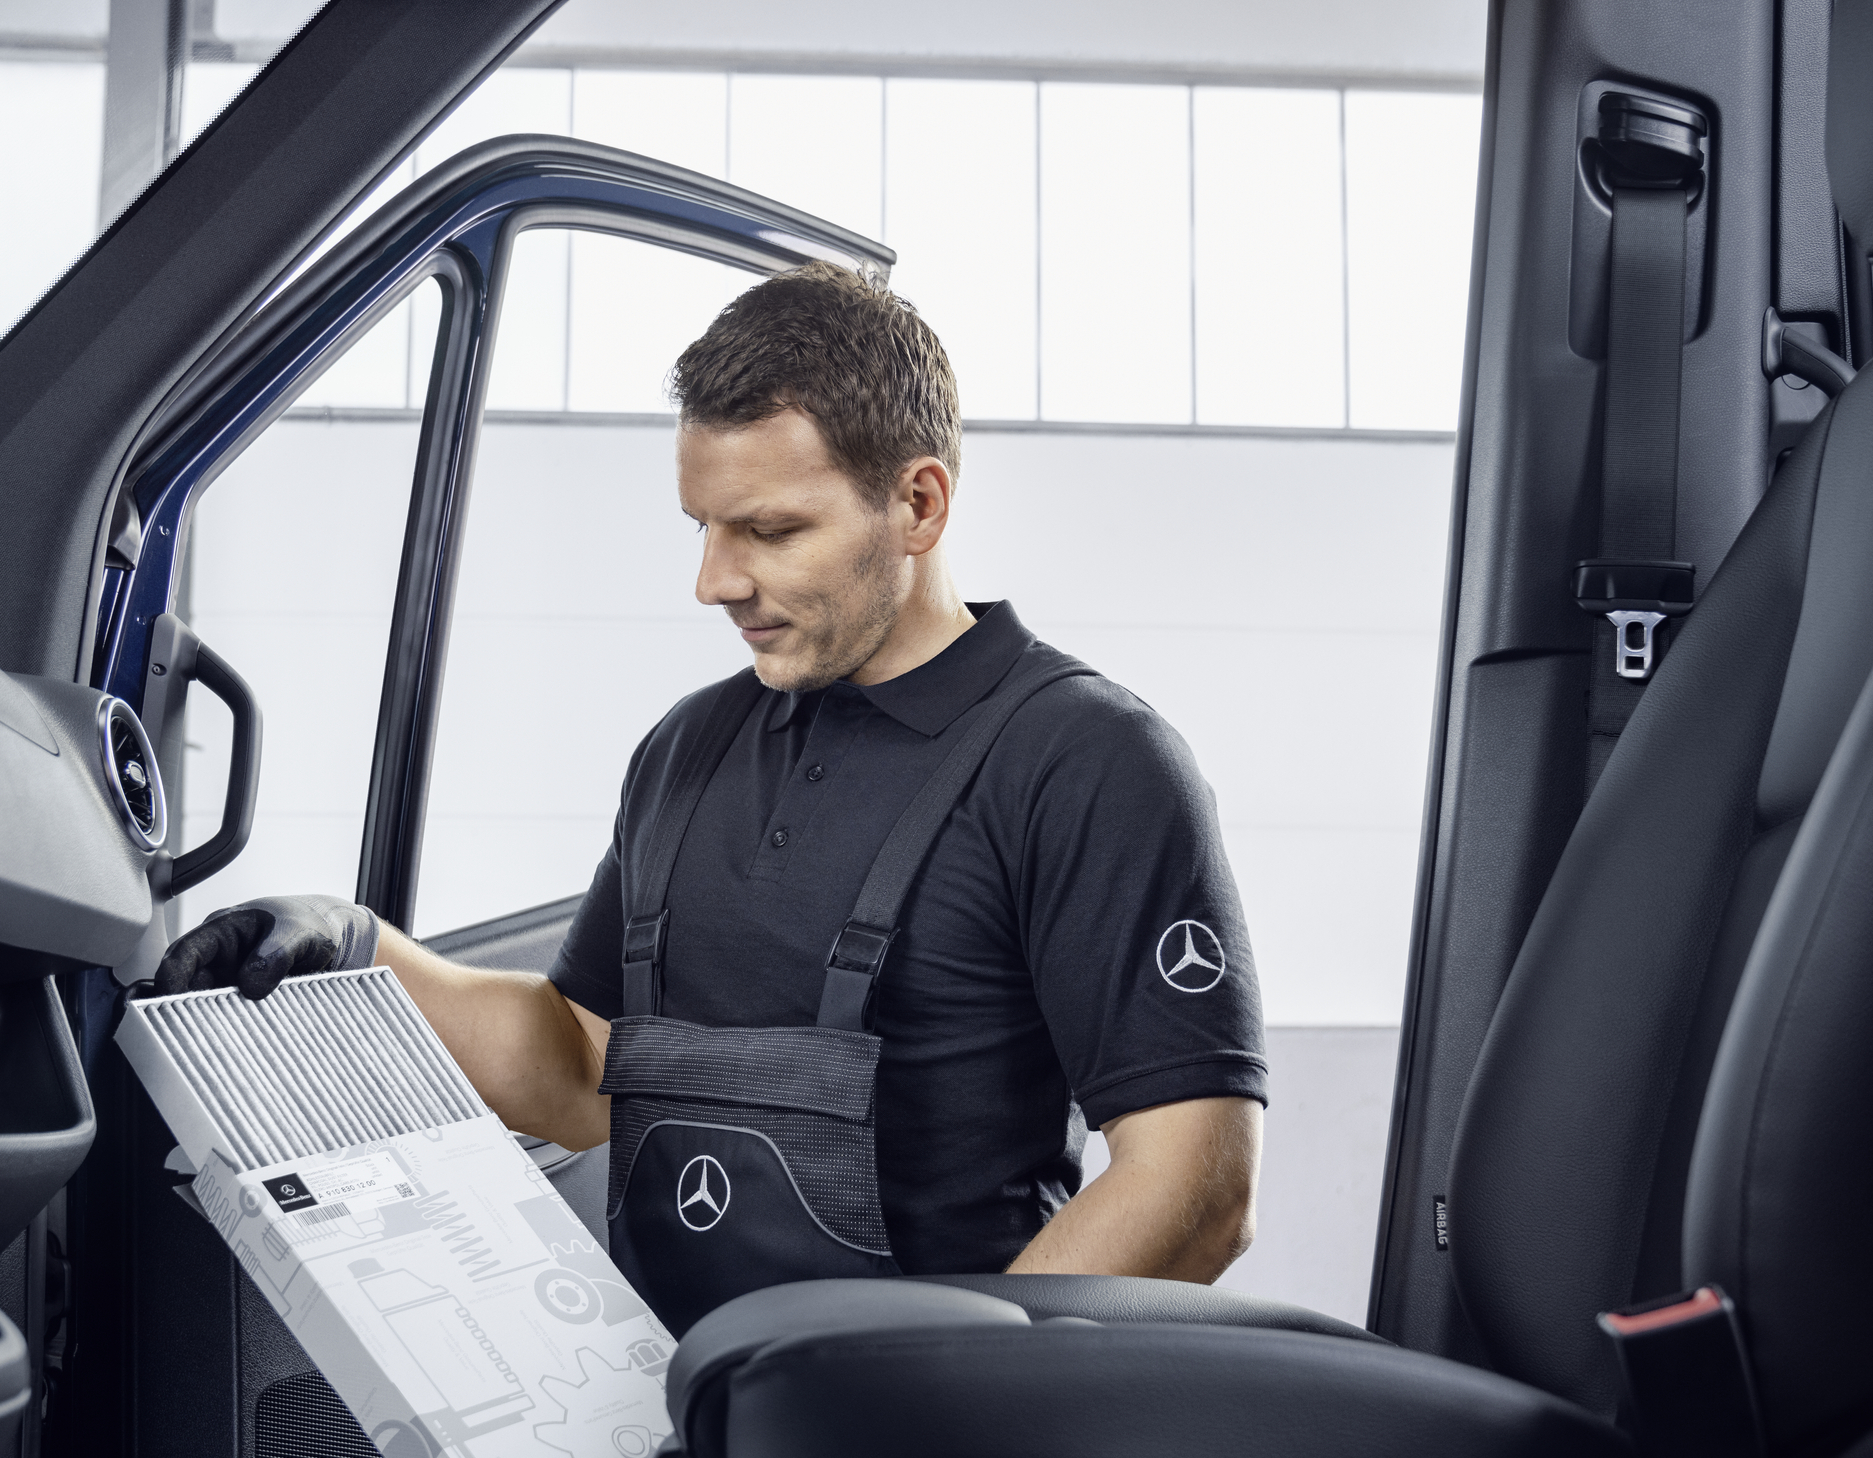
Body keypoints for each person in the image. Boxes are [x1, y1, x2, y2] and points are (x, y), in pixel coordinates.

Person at [156, 262, 1268, 1339]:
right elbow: (583, 1070)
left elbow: (1196, 1186)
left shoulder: (1085, 761)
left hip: (936, 1457)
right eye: (704, 526)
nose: (716, 582)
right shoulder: (689, 749)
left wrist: (949, 1407)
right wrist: (358, 952)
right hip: (682, 1422)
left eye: (771, 532)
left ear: (918, 504)